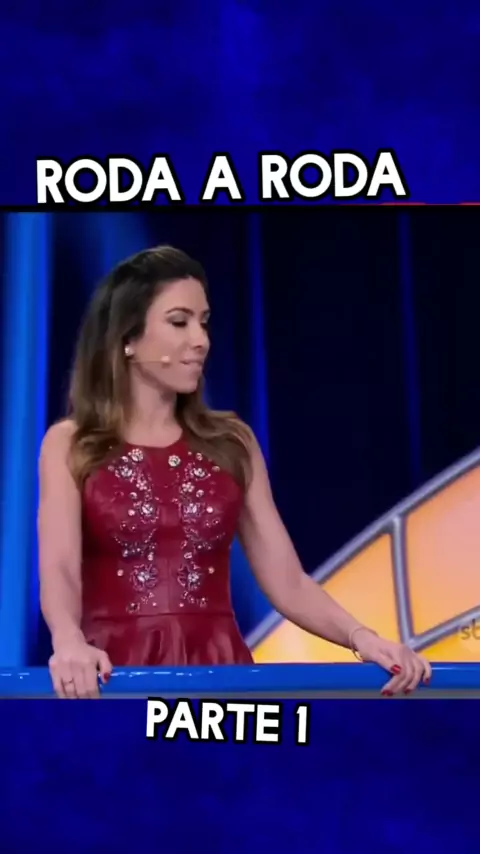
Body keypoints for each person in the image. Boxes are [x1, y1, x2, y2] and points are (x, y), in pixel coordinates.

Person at [38, 245, 431, 699]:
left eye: (203, 322)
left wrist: (363, 638)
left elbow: (288, 581)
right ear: (127, 337)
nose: (201, 340)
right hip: (113, 677)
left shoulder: (230, 442)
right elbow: (60, 567)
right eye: (179, 322)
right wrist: (67, 642)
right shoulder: (70, 443)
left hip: (221, 673)